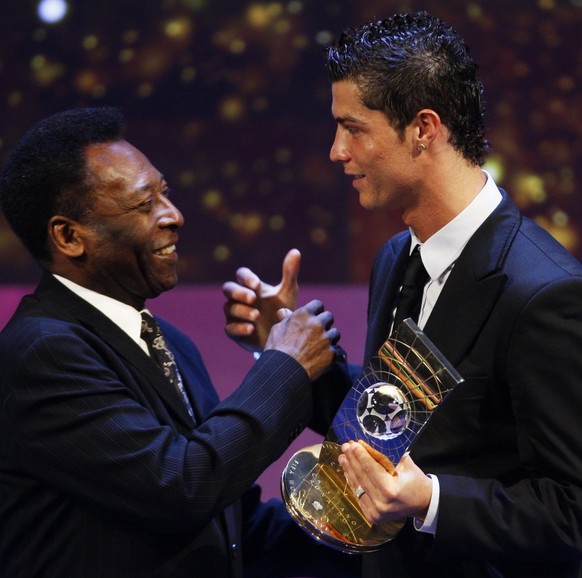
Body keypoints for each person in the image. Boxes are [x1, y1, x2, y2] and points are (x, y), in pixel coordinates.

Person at [222, 11, 582, 578]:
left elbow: (573, 513)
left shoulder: (545, 295)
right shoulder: (396, 256)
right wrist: (293, 351)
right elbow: (391, 420)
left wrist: (430, 501)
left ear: (424, 129)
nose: (337, 151)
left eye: (354, 128)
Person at [0, 107, 361, 578]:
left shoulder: (169, 342)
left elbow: (232, 526)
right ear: (69, 236)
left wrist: (370, 533)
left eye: (164, 193)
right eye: (143, 204)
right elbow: (183, 486)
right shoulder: (41, 352)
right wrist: (284, 364)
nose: (174, 216)